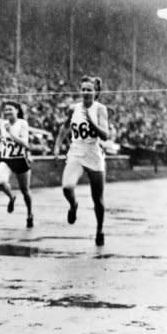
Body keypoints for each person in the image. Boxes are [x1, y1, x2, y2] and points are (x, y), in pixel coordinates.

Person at [54, 76, 109, 246]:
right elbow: (64, 128)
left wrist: (92, 122)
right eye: (83, 89)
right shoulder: (74, 108)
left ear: (96, 92)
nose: (85, 92)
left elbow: (105, 136)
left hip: (93, 154)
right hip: (76, 152)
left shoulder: (100, 109)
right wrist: (57, 146)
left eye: (89, 89)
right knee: (67, 187)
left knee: (97, 199)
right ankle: (73, 205)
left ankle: (99, 229)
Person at [0, 101, 34, 228]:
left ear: (17, 110)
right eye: (5, 110)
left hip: (20, 159)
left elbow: (25, 143)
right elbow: (4, 141)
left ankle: (30, 214)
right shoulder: (3, 124)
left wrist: (11, 133)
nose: (7, 112)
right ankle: (11, 197)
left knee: (25, 190)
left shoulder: (22, 123)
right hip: (6, 158)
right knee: (1, 183)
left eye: (10, 109)